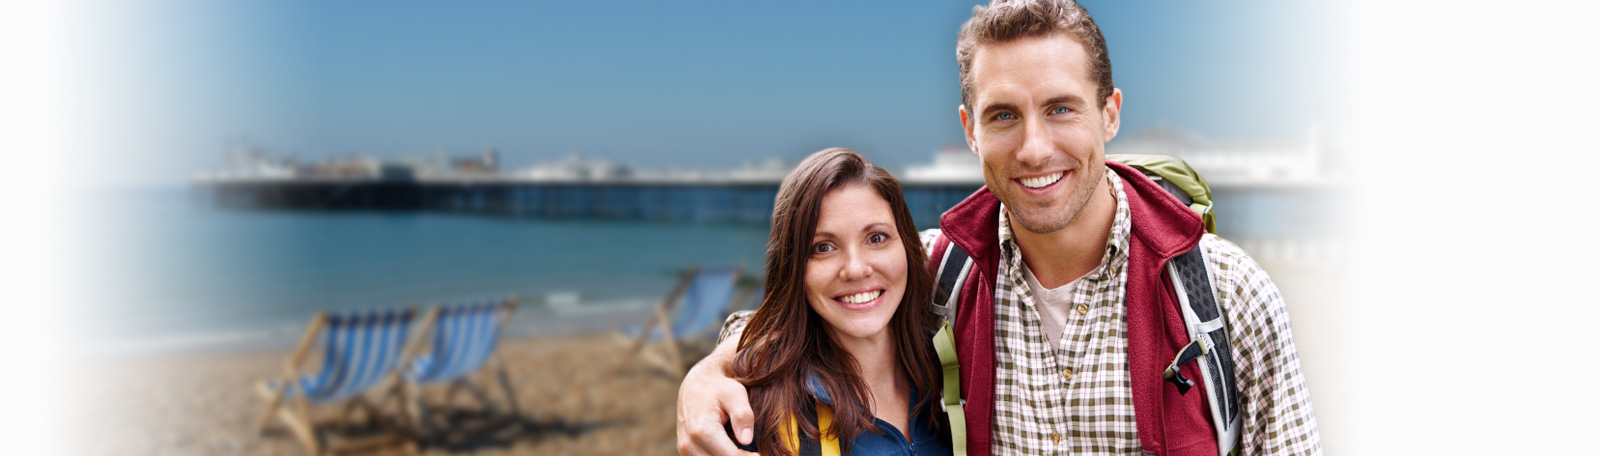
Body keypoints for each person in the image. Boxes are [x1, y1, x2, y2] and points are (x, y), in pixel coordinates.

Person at [679, 1, 1320, 455]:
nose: (1035, 148)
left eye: (1061, 108)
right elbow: (819, 301)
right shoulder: (940, 271)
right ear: (970, 131)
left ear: (1110, 113)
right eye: (1005, 115)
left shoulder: (1224, 292)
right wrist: (707, 374)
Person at [724, 147, 952, 455]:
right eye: (823, 247)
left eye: (876, 238)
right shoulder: (759, 415)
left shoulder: (953, 374)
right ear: (793, 269)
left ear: (908, 247)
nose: (856, 269)